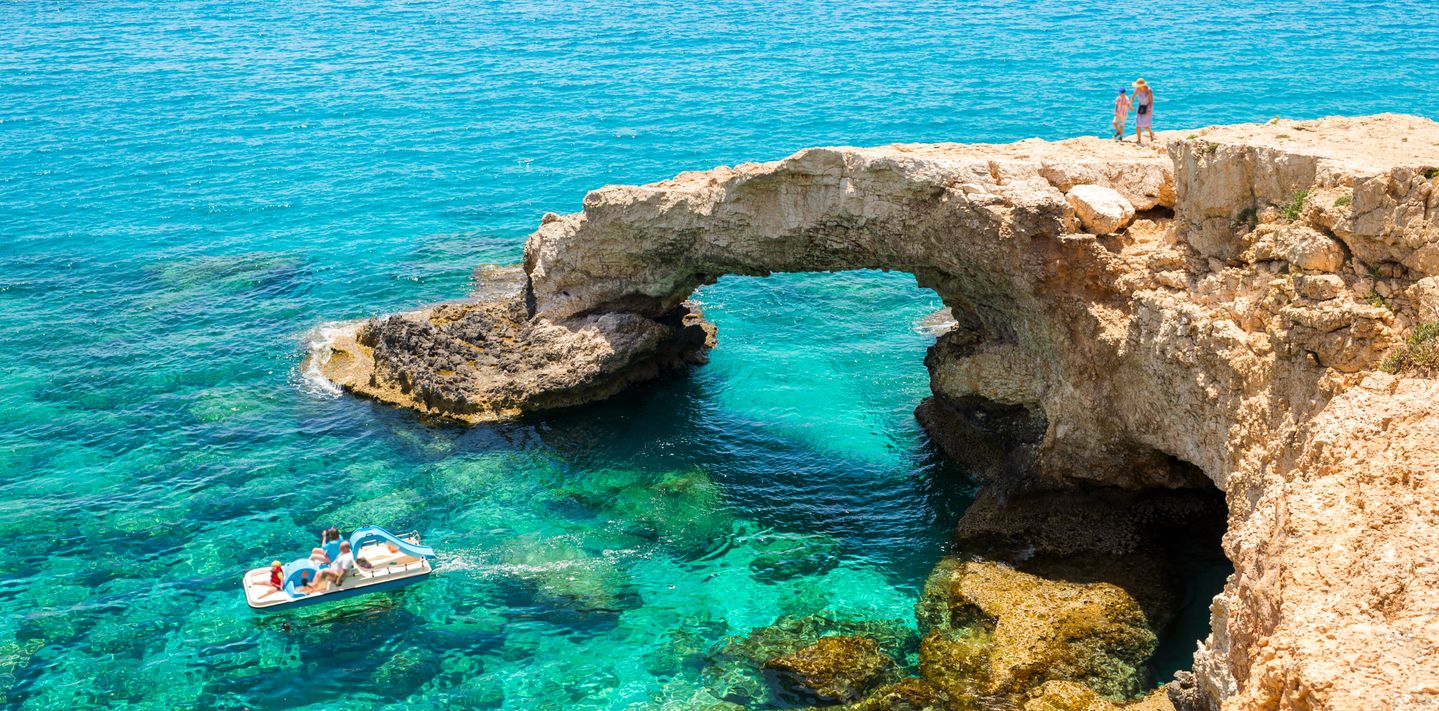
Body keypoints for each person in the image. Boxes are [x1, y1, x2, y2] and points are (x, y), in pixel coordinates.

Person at [1132, 79, 1155, 144]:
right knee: (1138, 124)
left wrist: (1149, 109)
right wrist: (1131, 103)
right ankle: (1139, 140)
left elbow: (1151, 101)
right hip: (1140, 107)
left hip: (1147, 108)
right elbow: (1133, 96)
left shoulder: (1149, 90)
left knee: (1145, 125)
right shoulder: (1138, 89)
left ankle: (1151, 133)